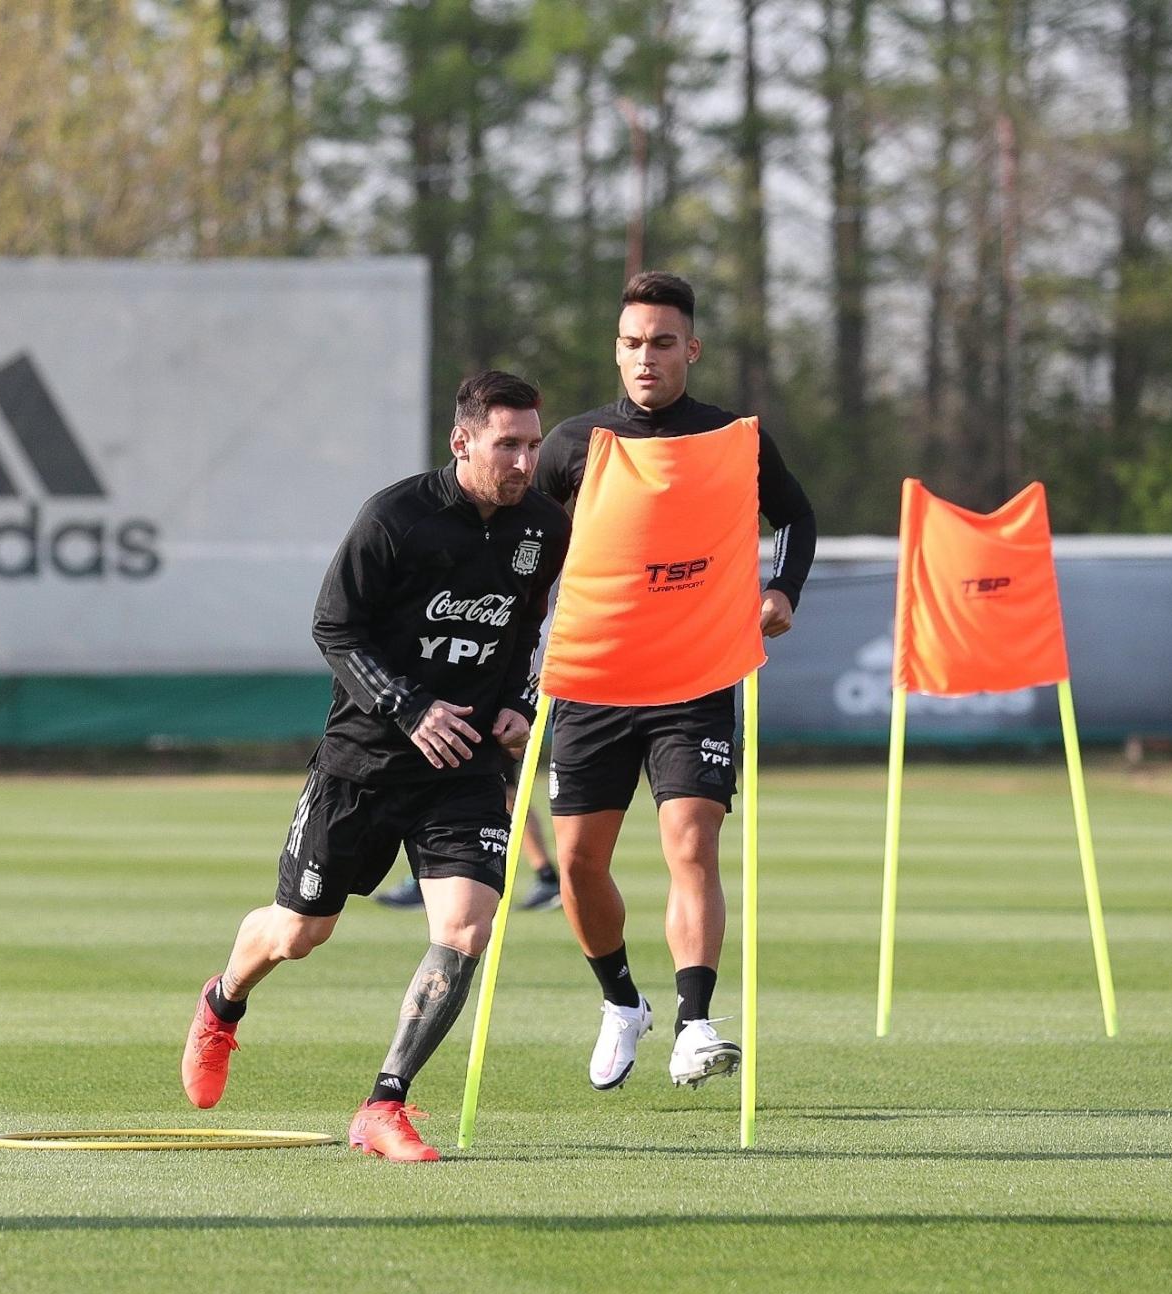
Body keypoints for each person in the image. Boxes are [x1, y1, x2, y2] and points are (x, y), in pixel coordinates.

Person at [180, 371, 569, 1162]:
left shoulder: (542, 529)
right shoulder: (396, 517)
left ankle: (384, 1103)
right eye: (508, 444)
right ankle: (222, 1004)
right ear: (462, 442)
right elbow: (334, 626)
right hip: (362, 762)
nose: (525, 460)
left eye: (532, 444)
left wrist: (521, 704)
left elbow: (535, 632)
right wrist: (411, 708)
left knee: (465, 928)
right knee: (298, 932)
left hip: (461, 769)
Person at [534, 271, 816, 1090]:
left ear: (689, 348)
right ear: (615, 351)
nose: (646, 357)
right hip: (593, 678)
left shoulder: (733, 437)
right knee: (581, 863)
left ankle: (695, 1023)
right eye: (632, 344)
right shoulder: (572, 444)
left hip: (694, 676)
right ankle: (623, 1004)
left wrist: (781, 589)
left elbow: (795, 515)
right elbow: (532, 545)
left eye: (662, 342)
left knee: (691, 843)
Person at [376, 769, 560, 910]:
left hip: (486, 726)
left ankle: (547, 876)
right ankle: (427, 875)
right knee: (439, 788)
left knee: (504, 794)